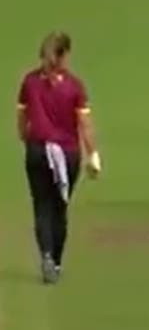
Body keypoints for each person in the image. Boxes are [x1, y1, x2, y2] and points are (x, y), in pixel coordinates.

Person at [16, 32, 102, 284]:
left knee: (41, 206)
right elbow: (84, 124)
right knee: (59, 208)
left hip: (37, 151)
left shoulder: (29, 82)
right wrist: (93, 154)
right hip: (66, 154)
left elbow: (22, 121)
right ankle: (56, 260)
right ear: (64, 55)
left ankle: (46, 256)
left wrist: (28, 140)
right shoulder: (74, 86)